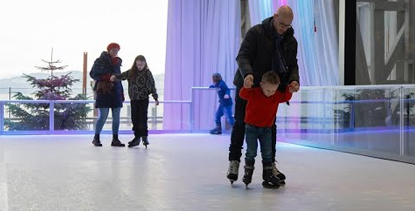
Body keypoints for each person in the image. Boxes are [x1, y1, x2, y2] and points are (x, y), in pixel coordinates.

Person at [227, 5, 300, 184]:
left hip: (270, 90)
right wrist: (248, 74)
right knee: (240, 123)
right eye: (282, 24)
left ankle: (269, 166)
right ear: (275, 17)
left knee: (269, 126)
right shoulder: (256, 32)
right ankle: (234, 161)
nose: (283, 29)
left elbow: (292, 65)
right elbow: (242, 56)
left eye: (287, 26)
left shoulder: (290, 41)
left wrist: (293, 80)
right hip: (250, 86)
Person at [240, 71, 292, 189]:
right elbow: (243, 94)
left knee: (267, 153)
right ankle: (248, 172)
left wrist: (290, 89)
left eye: (273, 90)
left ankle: (268, 175)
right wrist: (246, 86)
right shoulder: (254, 92)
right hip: (251, 127)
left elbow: (285, 97)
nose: (271, 93)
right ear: (261, 84)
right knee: (251, 151)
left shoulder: (276, 95)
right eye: (268, 90)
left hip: (267, 129)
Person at [117, 55, 159, 148]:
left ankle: (144, 137)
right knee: (134, 118)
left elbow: (152, 85)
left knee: (142, 118)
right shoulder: (131, 72)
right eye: (138, 64)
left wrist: (155, 98)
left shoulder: (147, 73)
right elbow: (122, 76)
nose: (140, 66)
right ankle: (137, 137)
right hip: (134, 99)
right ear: (135, 64)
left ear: (145, 64)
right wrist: (114, 77)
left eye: (142, 64)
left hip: (143, 99)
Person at [90, 42, 125, 147]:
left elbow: (119, 78)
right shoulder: (100, 61)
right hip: (104, 91)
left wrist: (122, 92)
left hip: (116, 91)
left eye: (117, 50)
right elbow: (93, 74)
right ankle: (96, 138)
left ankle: (115, 139)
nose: (115, 52)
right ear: (109, 50)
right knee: (103, 116)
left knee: (116, 117)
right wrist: (106, 77)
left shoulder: (118, 62)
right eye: (114, 50)